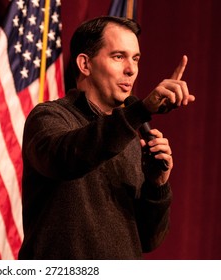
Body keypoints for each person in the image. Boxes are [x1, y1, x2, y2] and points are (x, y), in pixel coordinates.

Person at [18, 16, 195, 259]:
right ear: (85, 64)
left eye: (135, 59)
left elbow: (148, 240)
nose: (131, 69)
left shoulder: (132, 137)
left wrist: (158, 186)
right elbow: (67, 158)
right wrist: (140, 111)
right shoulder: (49, 117)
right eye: (118, 56)